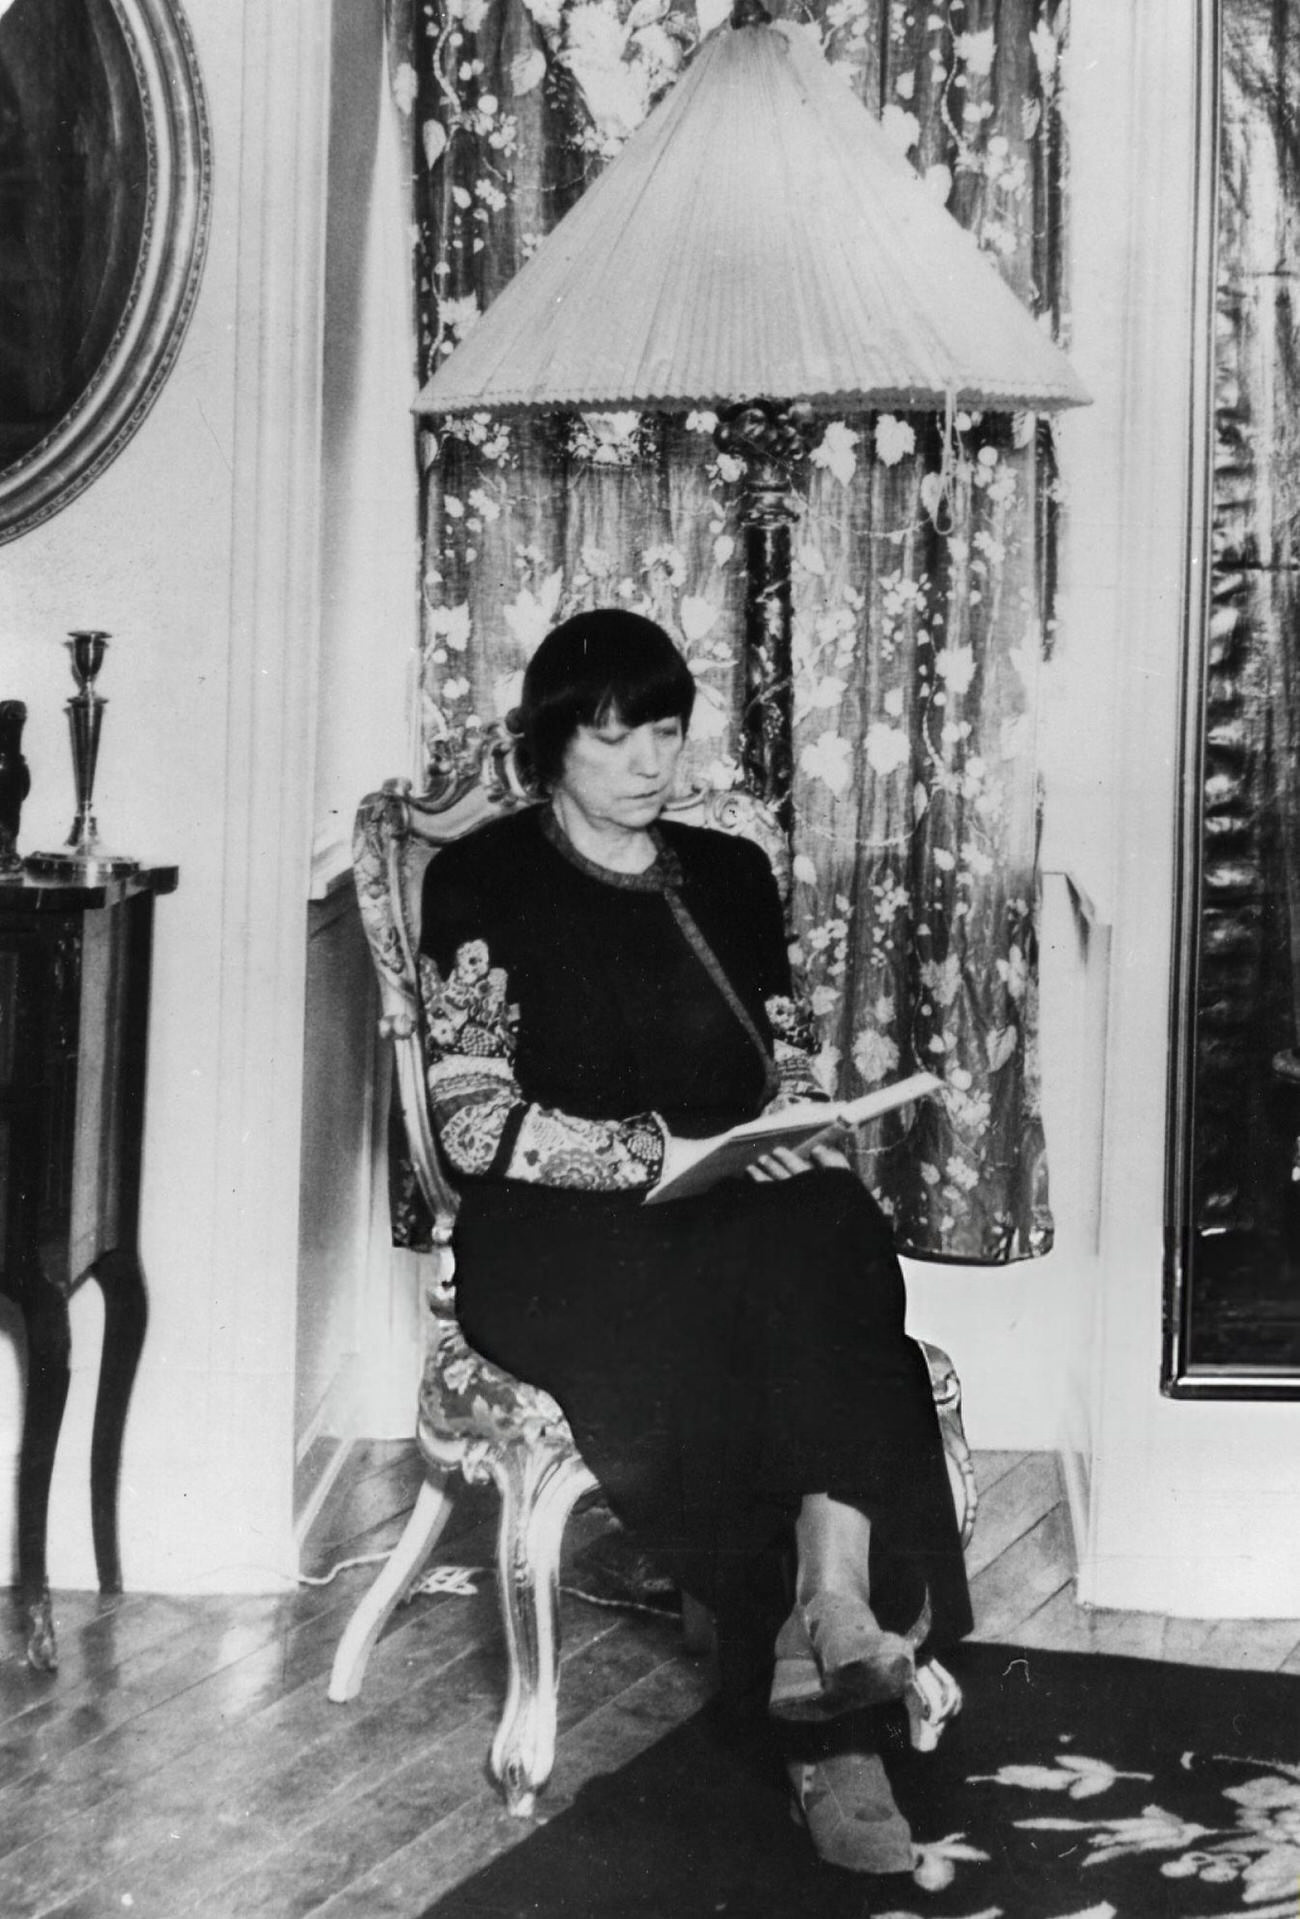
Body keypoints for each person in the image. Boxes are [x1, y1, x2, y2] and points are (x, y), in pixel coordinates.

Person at [419, 608, 971, 1876]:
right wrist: (647, 1154)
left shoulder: (724, 869)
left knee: (830, 1222)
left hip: (724, 1202)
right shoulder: (484, 878)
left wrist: (785, 1128)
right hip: (557, 1237)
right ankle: (830, 1735)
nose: (647, 765)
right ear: (549, 745)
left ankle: (826, 1608)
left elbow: (780, 1060)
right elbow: (469, 1117)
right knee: (778, 1325)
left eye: (664, 732)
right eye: (612, 740)